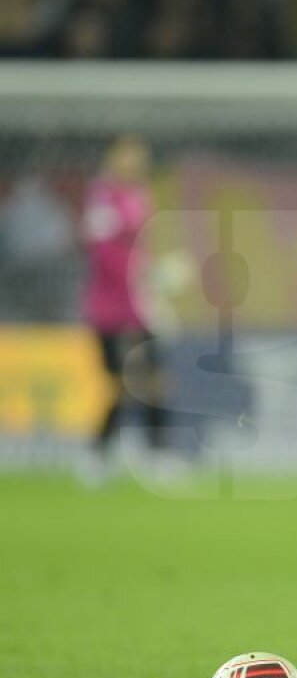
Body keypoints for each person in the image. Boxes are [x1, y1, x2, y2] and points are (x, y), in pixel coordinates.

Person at [79, 134, 173, 485]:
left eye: (139, 156)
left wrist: (153, 279)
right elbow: (104, 255)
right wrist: (143, 277)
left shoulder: (139, 196)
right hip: (112, 311)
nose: (134, 162)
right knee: (122, 384)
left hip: (138, 307)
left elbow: (139, 250)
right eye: (128, 156)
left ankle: (156, 454)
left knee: (155, 381)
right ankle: (98, 455)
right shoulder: (103, 199)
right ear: (113, 158)